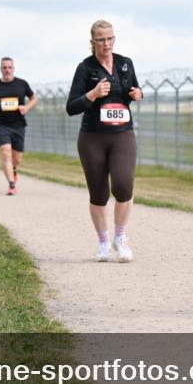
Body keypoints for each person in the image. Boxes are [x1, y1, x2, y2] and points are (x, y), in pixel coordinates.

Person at [66, 20, 143, 262]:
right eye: (101, 39)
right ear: (93, 42)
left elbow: (132, 91)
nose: (106, 43)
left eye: (110, 38)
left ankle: (120, 239)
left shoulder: (125, 63)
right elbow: (71, 107)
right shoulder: (85, 68)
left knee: (123, 186)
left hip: (122, 135)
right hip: (92, 138)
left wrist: (137, 94)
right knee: (99, 193)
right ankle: (103, 242)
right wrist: (93, 94)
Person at [0, 57, 37, 196]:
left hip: (18, 124)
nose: (7, 70)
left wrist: (27, 107)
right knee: (6, 152)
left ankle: (14, 169)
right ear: (0, 69)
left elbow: (34, 98)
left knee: (17, 158)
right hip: (1, 125)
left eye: (9, 67)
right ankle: (11, 185)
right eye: (4, 67)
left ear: (13, 68)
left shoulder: (22, 84)